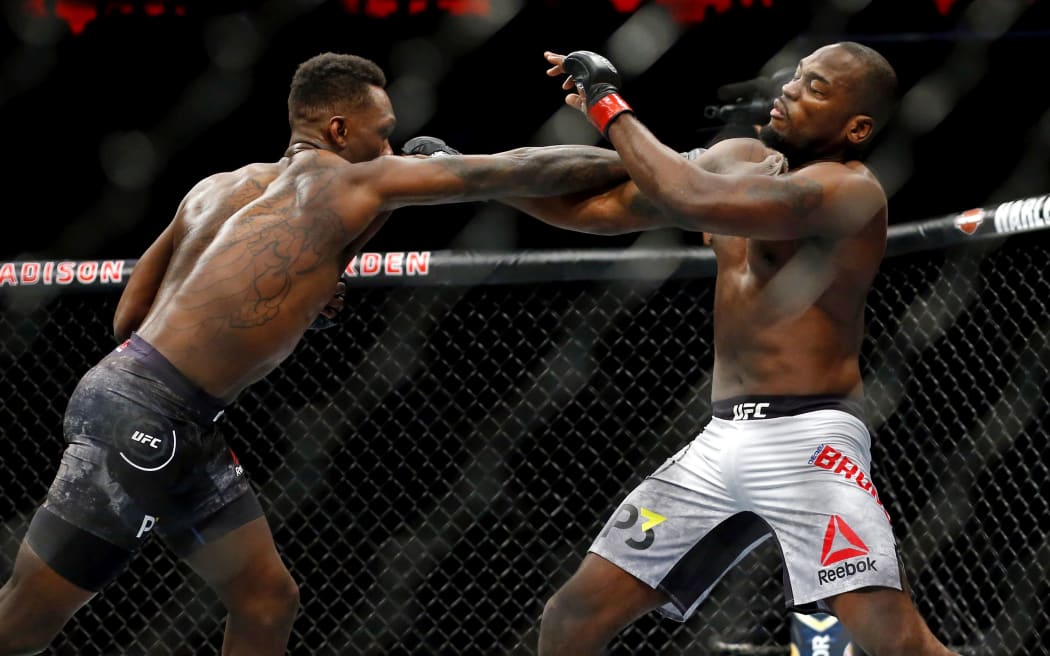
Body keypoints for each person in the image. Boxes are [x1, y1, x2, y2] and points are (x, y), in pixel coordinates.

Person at [0, 52, 629, 655]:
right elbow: (519, 168)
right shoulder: (349, 179)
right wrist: (643, 154)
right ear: (339, 130)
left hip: (167, 409)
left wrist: (278, 292)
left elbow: (128, 320)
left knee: (267, 600)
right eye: (382, 134)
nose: (390, 148)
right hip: (147, 417)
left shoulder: (216, 189)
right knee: (24, 624)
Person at [506, 42, 960, 655]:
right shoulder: (744, 165)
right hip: (720, 442)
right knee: (572, 616)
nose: (791, 88)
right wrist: (462, 179)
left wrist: (608, 104)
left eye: (817, 88)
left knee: (894, 642)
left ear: (857, 127)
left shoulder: (848, 192)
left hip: (808, 444)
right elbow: (603, 209)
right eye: (798, 76)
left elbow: (689, 196)